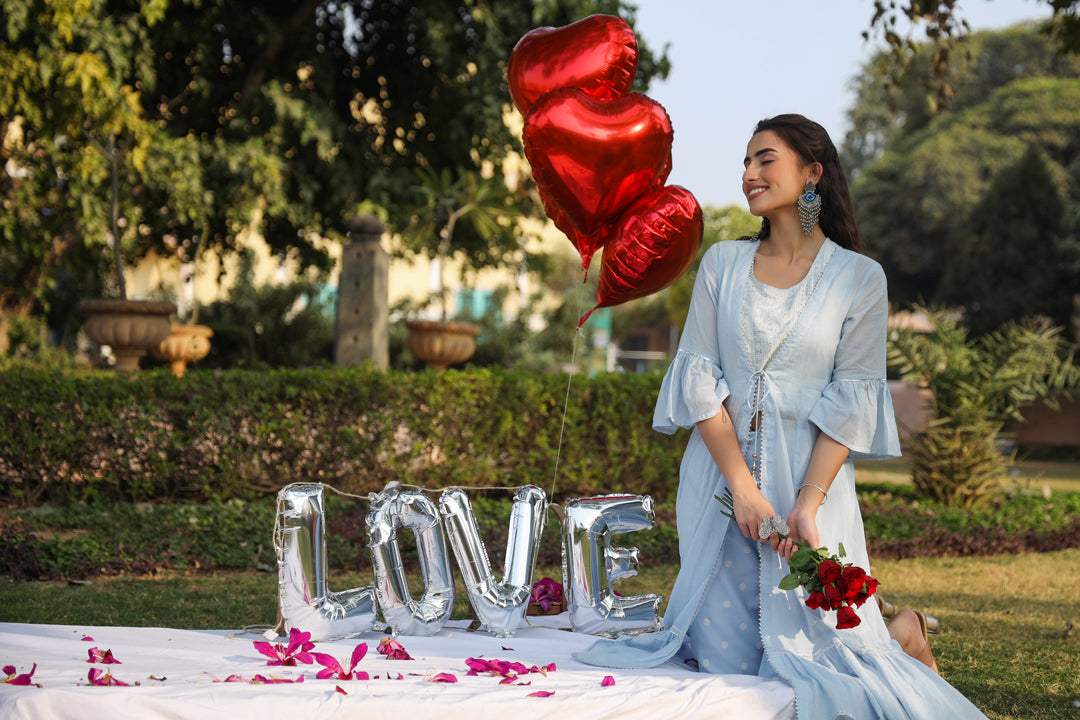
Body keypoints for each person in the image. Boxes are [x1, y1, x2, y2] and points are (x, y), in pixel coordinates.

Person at [575, 114, 985, 719]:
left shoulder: (859, 279)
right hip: (721, 484)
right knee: (730, 676)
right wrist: (742, 490)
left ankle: (900, 632)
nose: (749, 174)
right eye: (745, 162)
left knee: (821, 664)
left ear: (812, 172)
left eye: (765, 159)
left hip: (810, 485)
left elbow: (851, 399)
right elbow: (699, 384)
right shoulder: (720, 264)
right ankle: (891, 631)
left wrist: (807, 505)